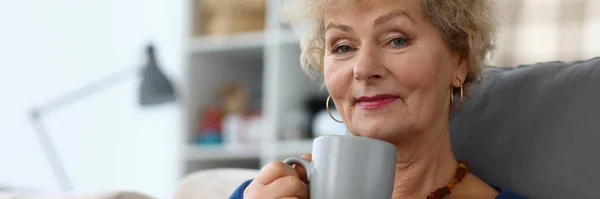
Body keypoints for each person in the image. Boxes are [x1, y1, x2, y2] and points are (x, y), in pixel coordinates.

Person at [230, 0, 525, 198]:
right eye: (343, 47)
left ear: (459, 60)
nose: (364, 69)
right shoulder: (260, 193)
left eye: (397, 39)